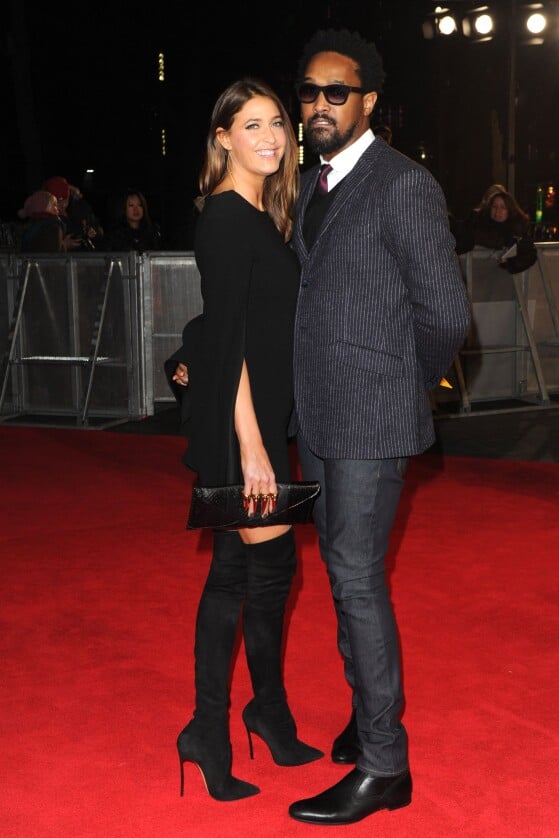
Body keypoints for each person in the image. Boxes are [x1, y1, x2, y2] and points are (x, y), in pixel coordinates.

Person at [287, 28, 471, 826]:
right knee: (341, 571)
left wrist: (399, 385)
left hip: (369, 416)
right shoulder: (311, 182)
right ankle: (367, 721)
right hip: (319, 414)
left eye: (338, 92)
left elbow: (446, 315)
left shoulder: (403, 184)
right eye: (310, 91)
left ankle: (384, 766)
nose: (320, 104)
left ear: (368, 102)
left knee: (357, 580)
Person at [164, 77, 323, 802]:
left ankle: (247, 717)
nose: (270, 135)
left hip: (258, 419)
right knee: (263, 573)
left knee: (237, 573)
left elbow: (235, 328)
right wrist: (255, 447)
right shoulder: (227, 219)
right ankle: (224, 721)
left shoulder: (261, 216)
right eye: (250, 123)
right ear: (221, 137)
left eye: (278, 123)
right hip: (242, 427)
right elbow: (227, 342)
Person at [452, 186, 537, 274]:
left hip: (503, 281)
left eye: (503, 208)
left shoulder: (517, 229)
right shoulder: (477, 223)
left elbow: (529, 254)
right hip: (475, 275)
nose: (497, 211)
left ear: (510, 210)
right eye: (494, 207)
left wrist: (510, 263)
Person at [41, 176, 102, 250]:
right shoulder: (44, 218)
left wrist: (91, 232)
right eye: (58, 201)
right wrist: (63, 245)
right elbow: (39, 248)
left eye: (65, 199)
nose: (63, 204)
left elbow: (98, 230)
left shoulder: (78, 208)